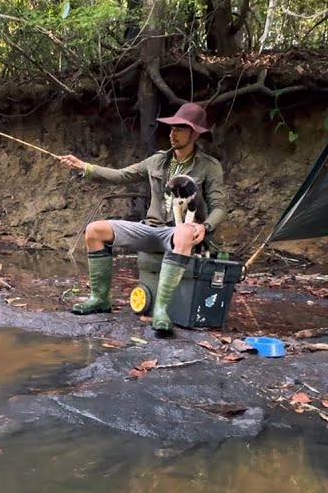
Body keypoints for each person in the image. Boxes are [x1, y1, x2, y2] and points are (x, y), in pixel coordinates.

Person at [57, 101, 226, 336]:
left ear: (195, 133)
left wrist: (205, 227)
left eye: (180, 128)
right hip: (151, 229)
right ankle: (99, 299)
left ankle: (160, 310)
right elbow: (120, 175)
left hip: (181, 233)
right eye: (171, 128)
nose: (172, 133)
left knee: (185, 231)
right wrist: (83, 166)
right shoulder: (156, 160)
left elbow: (220, 207)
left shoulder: (209, 167)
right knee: (95, 230)